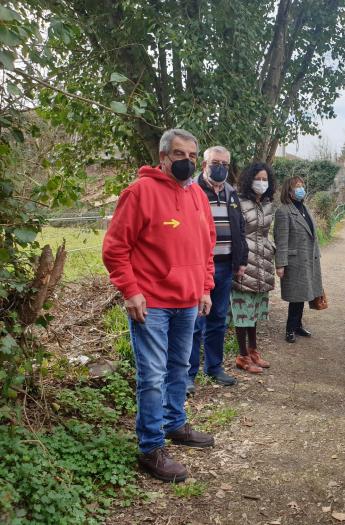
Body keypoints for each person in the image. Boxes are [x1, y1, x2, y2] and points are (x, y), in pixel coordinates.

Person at [102, 128, 216, 483]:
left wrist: (205, 287)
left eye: (193, 156)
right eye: (180, 155)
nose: (187, 162)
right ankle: (150, 447)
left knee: (180, 366)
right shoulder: (140, 193)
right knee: (152, 376)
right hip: (151, 304)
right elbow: (115, 248)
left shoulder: (197, 193)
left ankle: (174, 423)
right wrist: (130, 290)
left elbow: (206, 247)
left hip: (188, 301)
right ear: (164, 156)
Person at [188, 146, 248, 393]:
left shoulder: (231, 193)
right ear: (204, 164)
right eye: (215, 162)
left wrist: (241, 260)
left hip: (224, 267)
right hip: (197, 268)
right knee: (192, 322)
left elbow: (240, 228)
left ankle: (214, 367)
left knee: (217, 319)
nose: (220, 167)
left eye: (225, 163)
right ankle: (187, 375)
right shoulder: (191, 190)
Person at [231, 162, 276, 373]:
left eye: (265, 179)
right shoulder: (238, 202)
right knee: (242, 309)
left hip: (263, 261)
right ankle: (241, 355)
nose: (261, 183)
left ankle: (253, 350)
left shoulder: (267, 204)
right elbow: (236, 232)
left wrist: (271, 248)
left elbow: (266, 232)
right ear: (249, 180)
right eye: (257, 178)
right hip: (244, 259)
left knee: (255, 310)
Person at [273, 176, 324, 343]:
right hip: (294, 261)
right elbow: (281, 240)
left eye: (302, 185)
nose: (301, 188)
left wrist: (317, 254)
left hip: (309, 259)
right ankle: (290, 328)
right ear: (289, 191)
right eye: (297, 186)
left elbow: (312, 236)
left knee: (303, 295)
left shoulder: (305, 208)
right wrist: (280, 264)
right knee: (296, 297)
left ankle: (298, 325)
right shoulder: (283, 211)